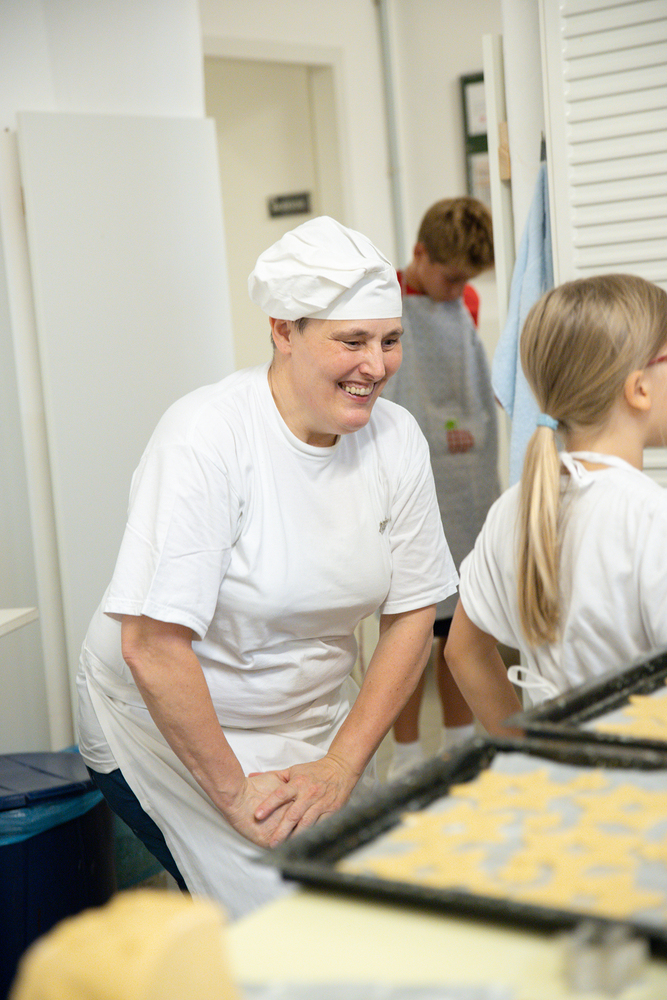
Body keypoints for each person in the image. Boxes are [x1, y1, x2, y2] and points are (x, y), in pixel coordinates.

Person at [76, 216, 458, 919]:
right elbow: (152, 646)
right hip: (170, 725)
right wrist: (235, 795)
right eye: (352, 341)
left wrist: (340, 764)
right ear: (283, 330)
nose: (376, 365)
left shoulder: (395, 440)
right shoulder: (207, 439)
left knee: (380, 899)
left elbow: (413, 613)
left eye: (389, 340)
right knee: (286, 922)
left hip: (310, 714)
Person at [445, 273, 667, 735]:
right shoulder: (651, 520)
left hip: (561, 773)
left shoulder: (513, 509)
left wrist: (525, 745)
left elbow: (463, 651)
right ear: (639, 388)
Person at [382, 197, 499, 779]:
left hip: (466, 484)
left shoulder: (466, 304)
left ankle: (459, 746)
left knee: (461, 624)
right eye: (450, 278)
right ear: (419, 254)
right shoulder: (385, 299)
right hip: (411, 478)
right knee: (409, 632)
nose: (458, 292)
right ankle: (405, 758)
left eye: (466, 281)